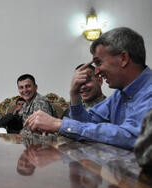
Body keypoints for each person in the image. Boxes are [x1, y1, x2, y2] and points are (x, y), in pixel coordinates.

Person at [24, 27, 152, 150]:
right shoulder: (119, 95)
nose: (97, 71)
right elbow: (88, 123)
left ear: (123, 58)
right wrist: (74, 95)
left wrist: (60, 124)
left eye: (99, 63)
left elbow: (133, 137)